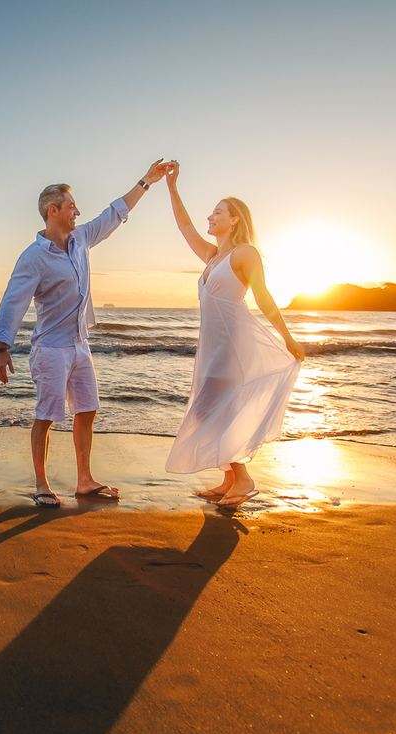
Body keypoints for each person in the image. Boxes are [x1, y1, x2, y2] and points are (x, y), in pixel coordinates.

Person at [0, 160, 169, 508]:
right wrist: (1, 347)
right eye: (71, 206)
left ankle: (85, 480)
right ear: (53, 210)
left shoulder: (81, 238)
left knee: (87, 409)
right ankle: (42, 484)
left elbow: (114, 214)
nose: (78, 211)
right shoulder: (33, 258)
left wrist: (146, 181)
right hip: (51, 349)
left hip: (79, 345)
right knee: (46, 415)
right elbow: (13, 301)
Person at [162, 161, 306, 508]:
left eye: (217, 213)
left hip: (232, 344)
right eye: (210, 214)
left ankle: (243, 478)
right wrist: (172, 187)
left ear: (235, 219)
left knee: (213, 409)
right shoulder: (213, 256)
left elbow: (263, 297)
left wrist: (287, 338)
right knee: (209, 407)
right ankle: (229, 480)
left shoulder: (244, 254)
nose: (210, 218)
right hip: (212, 346)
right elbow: (184, 226)